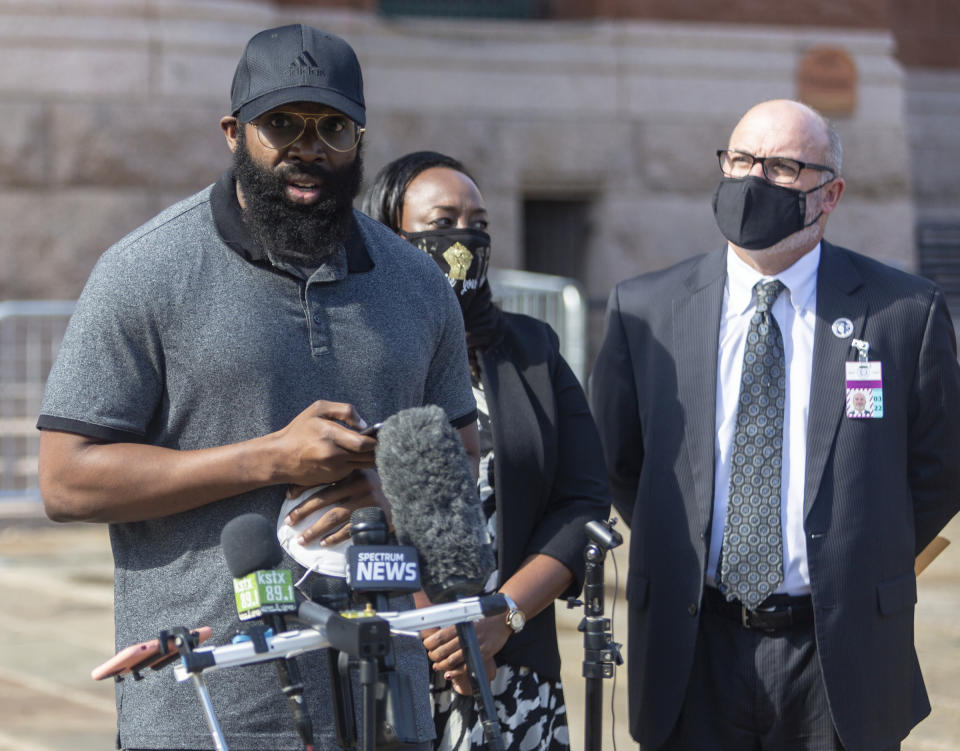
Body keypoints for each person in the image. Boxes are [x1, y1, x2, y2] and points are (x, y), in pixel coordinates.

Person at [36, 25, 478, 751]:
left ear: (359, 138)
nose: (309, 148)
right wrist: (271, 458)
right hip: (207, 704)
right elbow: (66, 478)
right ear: (235, 132)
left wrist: (390, 485)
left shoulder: (419, 284)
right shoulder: (144, 270)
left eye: (331, 127)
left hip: (384, 702)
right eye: (282, 125)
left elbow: (460, 449)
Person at [590, 98, 960, 751]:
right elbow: (622, 463)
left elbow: (938, 470)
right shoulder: (646, 310)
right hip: (693, 645)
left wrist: (859, 548)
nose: (753, 179)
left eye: (783, 166)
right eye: (740, 159)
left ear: (829, 194)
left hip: (836, 654)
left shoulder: (903, 313)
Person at [361, 151, 611, 750]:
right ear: (388, 236)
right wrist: (439, 629)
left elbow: (583, 504)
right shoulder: (356, 350)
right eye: (442, 223)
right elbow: (347, 505)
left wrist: (501, 615)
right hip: (392, 674)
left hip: (514, 669)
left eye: (478, 225)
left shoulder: (531, 351)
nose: (464, 240)